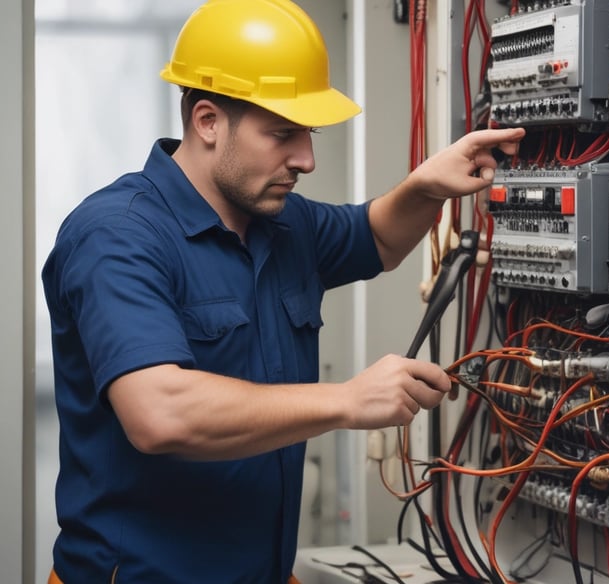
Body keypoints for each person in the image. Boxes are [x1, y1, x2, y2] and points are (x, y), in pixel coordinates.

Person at [41, 0, 525, 582]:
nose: (307, 159)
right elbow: (159, 412)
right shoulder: (117, 236)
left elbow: (377, 236)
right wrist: (347, 400)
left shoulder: (285, 223)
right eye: (282, 134)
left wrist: (426, 185)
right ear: (208, 121)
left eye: (310, 133)